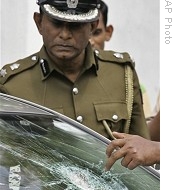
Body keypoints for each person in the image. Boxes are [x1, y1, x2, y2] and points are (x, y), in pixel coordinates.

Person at [0, 0, 150, 140]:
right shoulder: (12, 85)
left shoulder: (120, 74)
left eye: (75, 25)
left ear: (92, 26)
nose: (65, 35)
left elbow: (141, 152)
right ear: (39, 22)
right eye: (56, 23)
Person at [89, 0, 152, 119]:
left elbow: (142, 134)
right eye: (84, 33)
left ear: (108, 32)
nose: (90, 41)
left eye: (96, 33)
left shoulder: (128, 83)